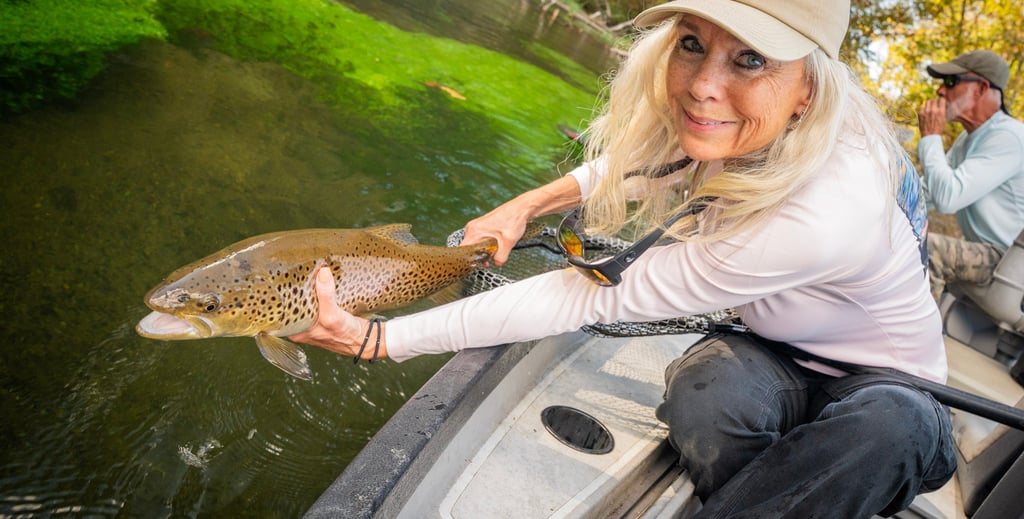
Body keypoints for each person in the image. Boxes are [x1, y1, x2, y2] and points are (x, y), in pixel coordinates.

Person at [293, 0, 956, 516]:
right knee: (704, 400)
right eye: (692, 45)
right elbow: (644, 160)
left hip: (890, 386)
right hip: (777, 350)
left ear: (808, 88)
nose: (701, 85)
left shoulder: (831, 207)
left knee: (884, 433)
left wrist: (379, 337)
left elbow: (588, 296)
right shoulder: (751, 120)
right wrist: (526, 204)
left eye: (750, 59)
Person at [917, 50, 1024, 302]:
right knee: (903, 239)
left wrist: (931, 137)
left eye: (951, 81)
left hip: (1011, 265)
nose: (940, 91)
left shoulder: (1009, 137)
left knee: (926, 250)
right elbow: (928, 193)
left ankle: (908, 339)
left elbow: (947, 199)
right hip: (994, 257)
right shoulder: (968, 139)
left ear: (981, 88)